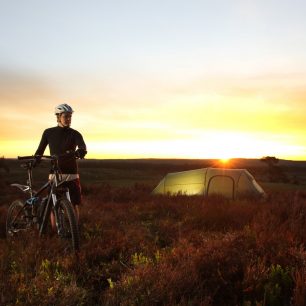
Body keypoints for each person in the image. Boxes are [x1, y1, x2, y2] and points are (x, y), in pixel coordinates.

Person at [34, 103, 87, 223]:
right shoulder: (48, 132)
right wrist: (36, 160)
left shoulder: (75, 133)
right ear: (58, 117)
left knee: (73, 205)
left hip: (71, 174)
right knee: (53, 205)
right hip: (54, 174)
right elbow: (40, 151)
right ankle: (56, 233)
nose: (69, 119)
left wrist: (81, 151)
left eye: (70, 116)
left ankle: (75, 232)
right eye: (66, 116)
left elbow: (82, 146)